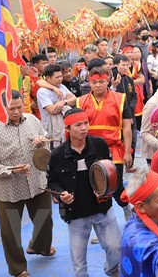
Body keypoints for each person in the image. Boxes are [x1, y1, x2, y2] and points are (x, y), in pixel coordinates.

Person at [0, 90, 55, 277]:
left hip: (36, 181)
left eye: (19, 107)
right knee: (11, 232)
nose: (16, 111)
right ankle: (18, 268)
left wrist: (41, 143)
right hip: (8, 189)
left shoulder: (33, 121)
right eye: (11, 108)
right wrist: (12, 170)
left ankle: (40, 247)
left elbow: (45, 148)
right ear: (3, 108)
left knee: (44, 220)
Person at [47, 108, 121, 277]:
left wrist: (119, 197)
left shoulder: (99, 145)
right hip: (76, 213)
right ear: (67, 129)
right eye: (78, 125)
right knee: (79, 264)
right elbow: (51, 181)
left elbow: (110, 172)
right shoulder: (57, 155)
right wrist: (60, 194)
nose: (84, 128)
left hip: (102, 208)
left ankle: (111, 270)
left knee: (116, 247)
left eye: (86, 123)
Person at [76, 67, 133, 209]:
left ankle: (127, 207)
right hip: (89, 150)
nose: (98, 85)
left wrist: (127, 152)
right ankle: (102, 213)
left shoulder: (119, 99)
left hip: (114, 148)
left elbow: (127, 127)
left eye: (101, 81)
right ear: (89, 82)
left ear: (107, 81)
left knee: (115, 184)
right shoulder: (81, 101)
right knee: (93, 185)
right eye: (94, 82)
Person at [37, 63, 76, 147]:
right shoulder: (42, 91)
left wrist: (63, 102)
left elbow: (74, 100)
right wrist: (65, 103)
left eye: (61, 76)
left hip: (65, 126)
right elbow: (52, 110)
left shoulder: (62, 87)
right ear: (48, 78)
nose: (60, 79)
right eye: (57, 77)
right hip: (51, 130)